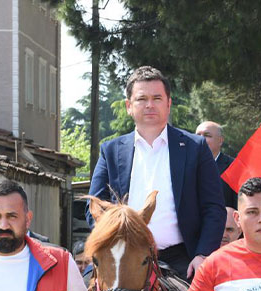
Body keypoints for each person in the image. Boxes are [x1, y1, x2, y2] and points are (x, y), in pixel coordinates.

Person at [88, 66, 225, 279]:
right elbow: (94, 208)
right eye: (142, 99)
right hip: (121, 259)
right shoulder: (110, 151)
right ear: (129, 106)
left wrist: (202, 255)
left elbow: (214, 208)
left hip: (183, 261)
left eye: (157, 98)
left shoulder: (195, 148)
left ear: (168, 104)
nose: (150, 105)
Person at [196, 120, 237, 209]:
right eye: (198, 135)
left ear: (220, 140)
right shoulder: (186, 165)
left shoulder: (234, 167)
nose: (201, 139)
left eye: (207, 135)